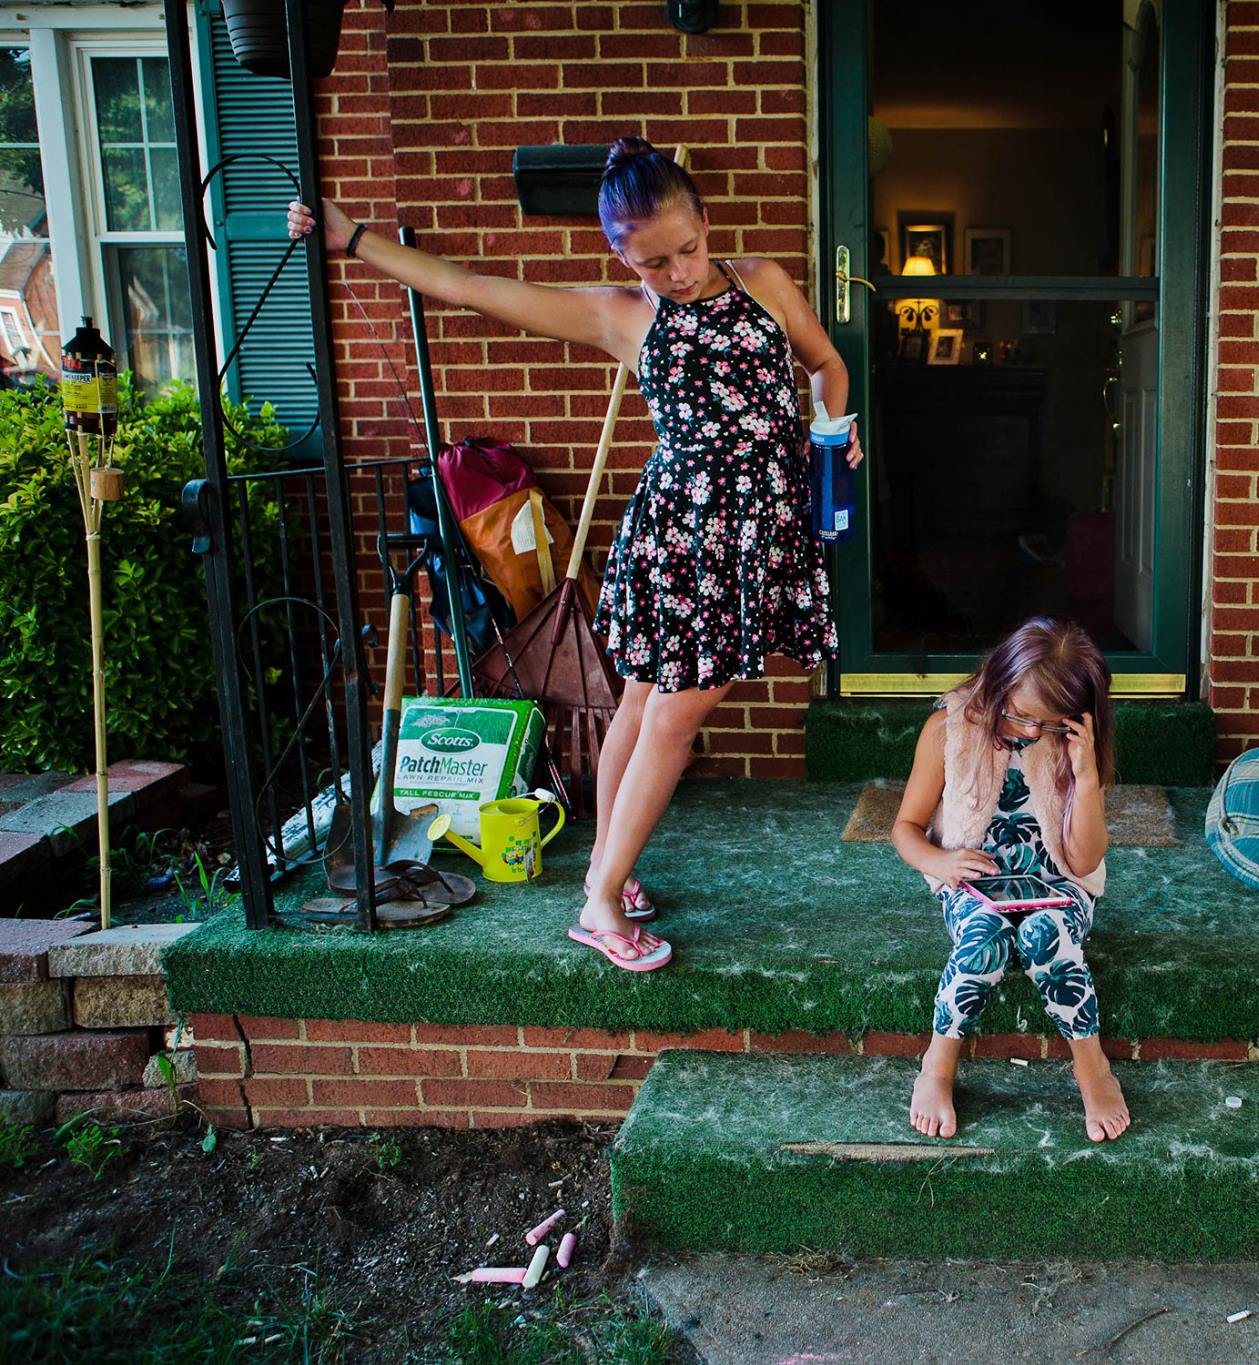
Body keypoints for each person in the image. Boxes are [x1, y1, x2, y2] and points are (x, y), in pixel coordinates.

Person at [287, 137, 861, 972]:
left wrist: (830, 433)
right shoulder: (623, 315)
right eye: (654, 261)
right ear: (621, 256)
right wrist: (356, 239)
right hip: (682, 536)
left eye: (689, 249)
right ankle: (600, 903)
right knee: (669, 714)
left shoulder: (764, 283)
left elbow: (828, 365)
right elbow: (471, 288)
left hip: (759, 524)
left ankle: (605, 871)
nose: (680, 272)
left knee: (640, 707)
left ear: (707, 222)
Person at [889, 617, 1130, 1143]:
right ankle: (938, 1066)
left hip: (1059, 885)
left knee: (1047, 938)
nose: (1027, 732)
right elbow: (905, 828)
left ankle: (1093, 1069)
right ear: (999, 680)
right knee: (984, 940)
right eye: (1020, 716)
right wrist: (939, 862)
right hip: (974, 886)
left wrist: (1086, 777)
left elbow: (1085, 860)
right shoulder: (947, 732)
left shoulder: (1071, 747)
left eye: (1044, 724)